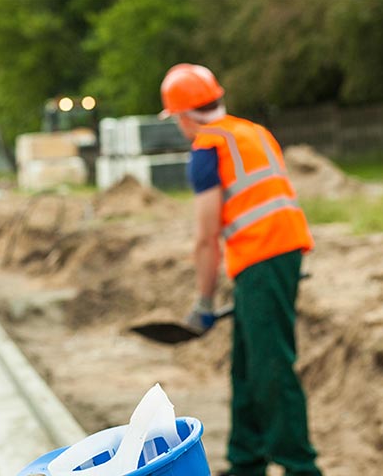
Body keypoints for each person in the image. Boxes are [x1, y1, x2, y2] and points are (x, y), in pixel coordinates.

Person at [159, 63, 321, 476]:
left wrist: (204, 300)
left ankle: (301, 466)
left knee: (270, 365)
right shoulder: (251, 131)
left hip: (264, 257)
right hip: (279, 251)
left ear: (183, 115)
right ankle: (246, 462)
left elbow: (205, 236)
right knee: (247, 364)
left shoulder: (207, 148)